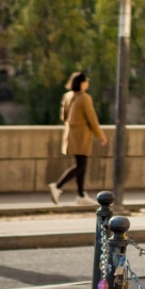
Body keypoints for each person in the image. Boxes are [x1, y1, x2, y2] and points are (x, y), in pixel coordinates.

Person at [49, 70, 107, 202]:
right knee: (80, 165)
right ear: (82, 83)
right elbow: (92, 119)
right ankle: (57, 186)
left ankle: (81, 195)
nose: (87, 83)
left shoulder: (68, 96)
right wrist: (100, 135)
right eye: (86, 81)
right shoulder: (85, 98)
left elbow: (63, 116)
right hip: (81, 135)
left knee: (81, 164)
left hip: (70, 134)